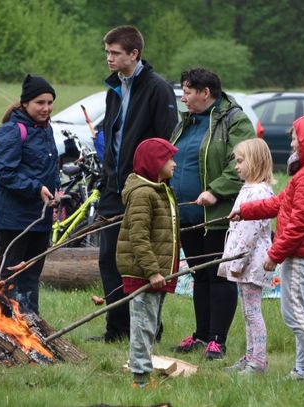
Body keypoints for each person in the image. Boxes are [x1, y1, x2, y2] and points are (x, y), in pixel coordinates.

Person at [229, 114, 304, 381]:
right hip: (297, 252)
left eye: (296, 137)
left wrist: (275, 255)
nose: (292, 142)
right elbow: (278, 204)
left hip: (299, 254)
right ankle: (302, 369)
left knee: (294, 313)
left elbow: (299, 223)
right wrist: (244, 211)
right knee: (300, 311)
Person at [94, 26, 178, 343]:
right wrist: (106, 177)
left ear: (134, 54)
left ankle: (147, 329)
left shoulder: (157, 89)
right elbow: (111, 137)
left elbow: (165, 141)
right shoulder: (113, 88)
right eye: (107, 52)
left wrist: (152, 182)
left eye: (115, 52)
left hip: (143, 188)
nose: (109, 58)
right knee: (109, 258)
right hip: (113, 188)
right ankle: (116, 329)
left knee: (142, 260)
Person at [171, 67, 255, 359]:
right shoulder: (188, 122)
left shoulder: (234, 120)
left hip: (218, 216)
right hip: (188, 216)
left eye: (187, 91)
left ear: (205, 93)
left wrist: (216, 190)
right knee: (199, 277)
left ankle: (218, 340)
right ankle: (201, 334)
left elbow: (243, 162)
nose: (183, 97)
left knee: (219, 277)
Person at [0, 74, 60, 315]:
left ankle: (30, 326)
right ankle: (3, 328)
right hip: (14, 219)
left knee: (31, 276)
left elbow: (48, 170)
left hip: (40, 219)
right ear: (25, 103)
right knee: (10, 277)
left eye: (50, 103)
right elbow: (4, 173)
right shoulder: (12, 131)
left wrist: (55, 192)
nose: (46, 108)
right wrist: (35, 188)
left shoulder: (46, 129)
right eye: (40, 102)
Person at [116, 138, 180, 388]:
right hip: (144, 271)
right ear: (155, 163)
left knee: (151, 324)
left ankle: (144, 371)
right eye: (169, 159)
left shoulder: (159, 189)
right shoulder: (143, 194)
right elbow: (138, 237)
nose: (174, 163)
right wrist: (153, 271)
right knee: (143, 326)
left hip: (156, 271)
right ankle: (140, 378)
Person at [218, 138, 274, 375]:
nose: (236, 166)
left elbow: (250, 233)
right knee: (247, 311)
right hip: (244, 262)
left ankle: (258, 361)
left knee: (252, 312)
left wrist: (237, 262)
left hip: (251, 263)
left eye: (241, 161)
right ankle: (250, 356)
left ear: (256, 162)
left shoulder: (259, 192)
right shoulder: (249, 189)